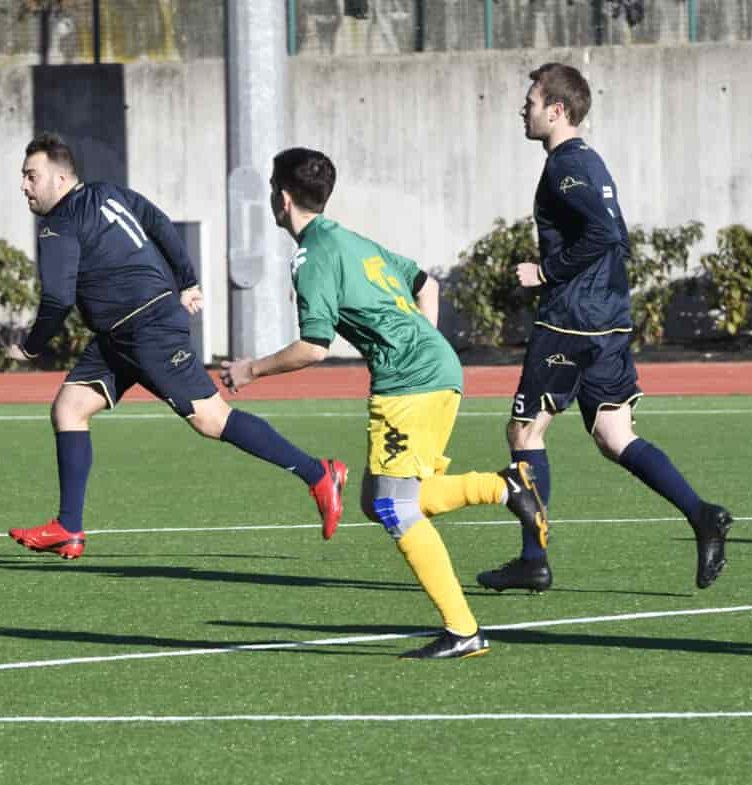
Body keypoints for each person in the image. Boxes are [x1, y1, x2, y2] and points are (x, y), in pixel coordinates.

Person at [220, 147, 549, 660]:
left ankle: (463, 630)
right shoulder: (351, 240)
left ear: (282, 198)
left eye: (269, 187)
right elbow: (427, 284)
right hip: (436, 369)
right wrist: (425, 345)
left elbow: (313, 346)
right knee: (379, 500)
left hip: (411, 383)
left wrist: (250, 370)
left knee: (396, 507)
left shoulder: (312, 257)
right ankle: (503, 485)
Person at [5, 132, 346, 560]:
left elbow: (57, 297)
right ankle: (68, 529)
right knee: (69, 409)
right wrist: (186, 279)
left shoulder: (60, 223)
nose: (24, 186)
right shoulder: (109, 193)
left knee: (211, 419)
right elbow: (160, 224)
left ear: (59, 178)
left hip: (147, 331)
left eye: (31, 176)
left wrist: (33, 347)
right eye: (23, 177)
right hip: (119, 335)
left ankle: (320, 474)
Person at [479, 62, 732, 593]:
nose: (521, 110)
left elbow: (606, 233)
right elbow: (608, 233)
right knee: (615, 435)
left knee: (525, 431)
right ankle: (701, 514)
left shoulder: (564, 167)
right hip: (609, 322)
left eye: (530, 102)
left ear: (557, 110)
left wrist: (547, 272)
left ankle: (533, 558)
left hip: (571, 322)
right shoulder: (588, 162)